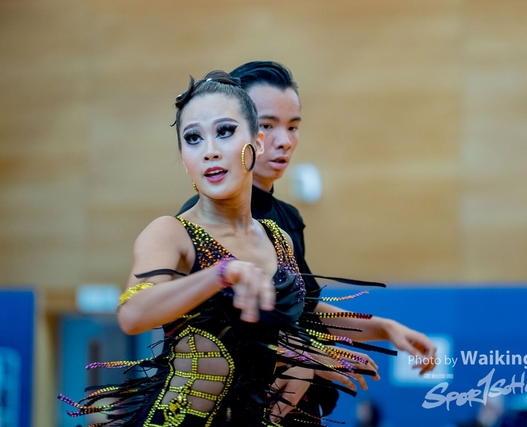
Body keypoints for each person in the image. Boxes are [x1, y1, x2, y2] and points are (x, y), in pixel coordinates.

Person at [59, 70, 380, 427]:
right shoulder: (170, 233)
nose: (210, 151)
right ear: (183, 157)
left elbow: (271, 336)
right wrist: (221, 274)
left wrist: (313, 358)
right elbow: (133, 314)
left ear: (256, 142)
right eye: (193, 138)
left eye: (224, 131)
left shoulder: (279, 240)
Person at [178, 61, 438, 424]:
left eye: (293, 127)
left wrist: (385, 329)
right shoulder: (201, 221)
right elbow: (218, 332)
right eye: (267, 125)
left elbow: (306, 309)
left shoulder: (286, 220)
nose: (284, 140)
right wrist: (304, 357)